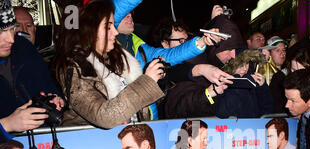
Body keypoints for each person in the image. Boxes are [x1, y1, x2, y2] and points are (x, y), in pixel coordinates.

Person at [54, 0, 166, 128]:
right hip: (93, 144)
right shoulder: (74, 67)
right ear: (89, 29)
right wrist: (146, 82)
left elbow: (137, 106)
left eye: (114, 26)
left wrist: (156, 78)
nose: (116, 32)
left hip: (130, 138)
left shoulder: (121, 58)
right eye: (108, 27)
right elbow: (104, 117)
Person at [0, 0, 64, 136]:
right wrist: (7, 124)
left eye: (12, 29)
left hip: (42, 141)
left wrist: (54, 99)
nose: (11, 38)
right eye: (2, 31)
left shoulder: (24, 48)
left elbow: (47, 86)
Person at [161, 13, 244, 119]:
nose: (186, 46)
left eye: (187, 41)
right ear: (165, 44)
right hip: (188, 131)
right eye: (181, 41)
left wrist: (215, 21)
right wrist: (206, 93)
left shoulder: (203, 61)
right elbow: (176, 109)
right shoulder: (163, 70)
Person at [214, 49, 273, 118]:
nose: (245, 69)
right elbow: (223, 112)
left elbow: (267, 111)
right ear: (231, 64)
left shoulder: (253, 81)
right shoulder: (221, 82)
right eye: (240, 65)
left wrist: (263, 88)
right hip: (232, 127)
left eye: (247, 63)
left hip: (255, 126)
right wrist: (242, 82)